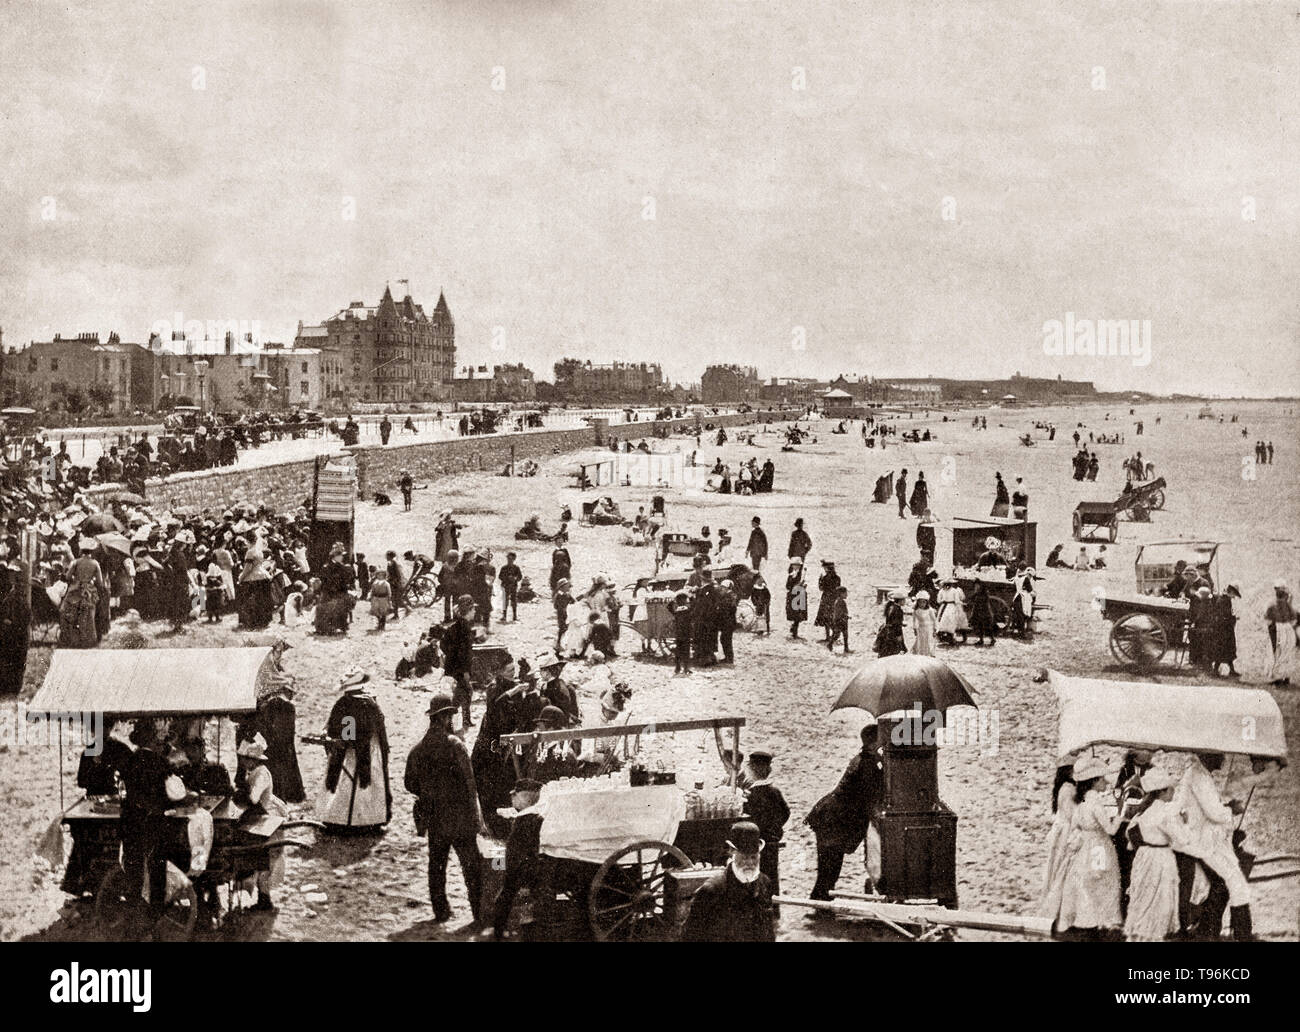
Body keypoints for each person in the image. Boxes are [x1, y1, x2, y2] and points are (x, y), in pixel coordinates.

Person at [404, 693, 485, 924]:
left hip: (435, 817)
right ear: (446, 718)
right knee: (471, 866)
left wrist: (428, 792)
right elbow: (471, 783)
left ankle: (441, 911)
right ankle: (478, 912)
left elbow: (409, 783)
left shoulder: (418, 749)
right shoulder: (455, 745)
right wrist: (477, 816)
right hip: (460, 817)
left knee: (436, 865)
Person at [1172, 752, 1253, 941]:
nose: (1224, 759)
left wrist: (1226, 808)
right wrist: (1231, 809)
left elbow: (1210, 809)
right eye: (1220, 755)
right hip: (1200, 841)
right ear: (1208, 755)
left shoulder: (1200, 774)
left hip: (1205, 839)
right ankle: (1227, 932)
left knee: (1228, 882)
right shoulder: (1198, 775)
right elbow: (1213, 813)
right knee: (1230, 881)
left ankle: (1212, 930)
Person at [1050, 757, 1122, 940]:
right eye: (1102, 779)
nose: (1105, 782)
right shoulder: (1095, 802)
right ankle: (1100, 921)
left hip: (1086, 847)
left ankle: (1088, 920)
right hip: (1099, 846)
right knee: (1103, 881)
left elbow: (1076, 826)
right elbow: (1111, 829)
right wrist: (1122, 813)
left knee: (1088, 883)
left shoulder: (1080, 803)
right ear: (1094, 781)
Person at [807, 724, 882, 900]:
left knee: (829, 869)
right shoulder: (868, 764)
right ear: (874, 742)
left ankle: (820, 905)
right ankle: (819, 902)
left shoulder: (863, 759)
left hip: (831, 815)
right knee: (829, 869)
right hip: (835, 819)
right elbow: (870, 795)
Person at [318, 671, 391, 834]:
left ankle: (341, 820)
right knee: (366, 783)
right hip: (369, 750)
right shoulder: (371, 703)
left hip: (350, 752)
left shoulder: (344, 703)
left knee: (347, 783)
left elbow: (342, 730)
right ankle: (369, 821)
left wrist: (330, 735)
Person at [679, 821, 776, 942]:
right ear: (732, 852)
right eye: (744, 857)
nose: (750, 863)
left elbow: (768, 931)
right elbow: (690, 935)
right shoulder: (712, 890)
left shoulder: (764, 883)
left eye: (754, 857)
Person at [1124, 770, 1187, 942]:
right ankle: (1153, 936)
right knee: (1160, 900)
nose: (1173, 792)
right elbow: (1181, 839)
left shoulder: (1143, 812)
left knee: (1144, 897)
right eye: (1171, 789)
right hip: (1160, 858)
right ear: (1163, 791)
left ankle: (1139, 934)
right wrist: (1184, 821)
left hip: (1144, 857)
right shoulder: (1165, 813)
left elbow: (1130, 835)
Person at [236, 734, 288, 910]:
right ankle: (261, 897)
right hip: (261, 815)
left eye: (245, 760)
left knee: (265, 860)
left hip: (267, 818)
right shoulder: (254, 772)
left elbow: (253, 798)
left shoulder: (261, 774)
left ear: (252, 760)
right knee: (261, 859)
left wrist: (241, 791)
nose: (243, 763)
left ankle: (264, 899)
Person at [492, 778, 546, 939]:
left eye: (515, 795)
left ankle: (499, 933)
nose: (513, 798)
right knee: (520, 904)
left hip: (520, 871)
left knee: (508, 901)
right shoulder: (532, 817)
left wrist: (524, 880)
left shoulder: (525, 822)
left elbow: (519, 852)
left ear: (525, 798)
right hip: (522, 869)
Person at [743, 749, 789, 897]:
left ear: (753, 769)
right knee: (772, 876)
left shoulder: (751, 794)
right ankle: (774, 908)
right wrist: (776, 828)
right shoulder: (774, 791)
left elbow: (748, 818)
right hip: (773, 839)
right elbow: (786, 812)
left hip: (756, 842)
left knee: (756, 875)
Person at [443, 595, 477, 730]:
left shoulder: (455, 626)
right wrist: (465, 671)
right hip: (461, 669)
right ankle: (450, 722)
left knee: (465, 693)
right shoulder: (464, 628)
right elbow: (463, 653)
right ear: (468, 611)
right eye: (473, 610)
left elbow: (443, 645)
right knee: (463, 694)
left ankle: (463, 720)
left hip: (454, 668)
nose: (474, 612)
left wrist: (451, 658)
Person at [1265, 580, 1297, 686]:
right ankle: (1282, 677)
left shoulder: (1274, 605)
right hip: (1283, 630)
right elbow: (1293, 619)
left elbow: (1268, 621)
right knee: (1283, 654)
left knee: (1278, 654)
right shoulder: (1284, 605)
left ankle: (1280, 677)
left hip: (1279, 630)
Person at [1209, 585, 1241, 677]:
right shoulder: (1223, 601)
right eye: (1234, 594)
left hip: (1225, 628)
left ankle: (1231, 670)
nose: (1234, 596)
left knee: (1228, 649)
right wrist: (1233, 618)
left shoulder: (1225, 600)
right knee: (1222, 649)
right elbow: (1224, 616)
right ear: (1230, 592)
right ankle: (1216, 670)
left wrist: (1232, 618)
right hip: (1223, 629)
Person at [935, 577, 969, 644]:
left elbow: (956, 601)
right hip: (947, 607)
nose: (947, 586)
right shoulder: (943, 591)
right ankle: (946, 638)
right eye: (946, 584)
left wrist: (961, 604)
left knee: (949, 622)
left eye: (948, 584)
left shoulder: (953, 591)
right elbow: (939, 601)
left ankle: (950, 637)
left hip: (949, 607)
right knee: (945, 622)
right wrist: (943, 601)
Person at [813, 560, 841, 643]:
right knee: (832, 616)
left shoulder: (825, 578)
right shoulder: (837, 578)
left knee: (826, 618)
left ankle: (828, 636)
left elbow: (821, 588)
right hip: (834, 598)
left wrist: (820, 580)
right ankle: (834, 633)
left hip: (826, 598)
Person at [672, 591, 693, 674]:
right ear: (684, 600)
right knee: (686, 651)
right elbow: (693, 607)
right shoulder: (687, 611)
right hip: (686, 633)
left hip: (678, 634)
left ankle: (677, 667)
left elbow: (669, 606)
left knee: (678, 651)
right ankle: (686, 668)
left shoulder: (676, 611)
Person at [785, 559, 807, 638]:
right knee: (795, 613)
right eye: (795, 565)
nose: (797, 567)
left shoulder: (801, 575)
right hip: (793, 595)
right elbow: (787, 586)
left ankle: (794, 629)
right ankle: (794, 631)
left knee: (798, 614)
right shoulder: (791, 575)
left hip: (800, 594)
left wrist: (802, 586)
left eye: (798, 565)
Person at [499, 551, 522, 621]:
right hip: (506, 586)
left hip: (513, 586)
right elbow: (500, 576)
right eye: (508, 558)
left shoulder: (516, 568)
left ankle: (514, 616)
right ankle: (504, 616)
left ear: (514, 559)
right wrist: (507, 578)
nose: (509, 560)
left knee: (514, 601)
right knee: (505, 601)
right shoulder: (504, 568)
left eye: (511, 559)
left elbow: (520, 577)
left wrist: (515, 578)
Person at [827, 585, 850, 653]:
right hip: (839, 620)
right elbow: (837, 613)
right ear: (841, 594)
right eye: (845, 593)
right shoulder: (839, 602)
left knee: (844, 634)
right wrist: (843, 617)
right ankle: (830, 644)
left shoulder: (841, 601)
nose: (846, 595)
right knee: (837, 634)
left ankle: (846, 648)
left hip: (842, 620)